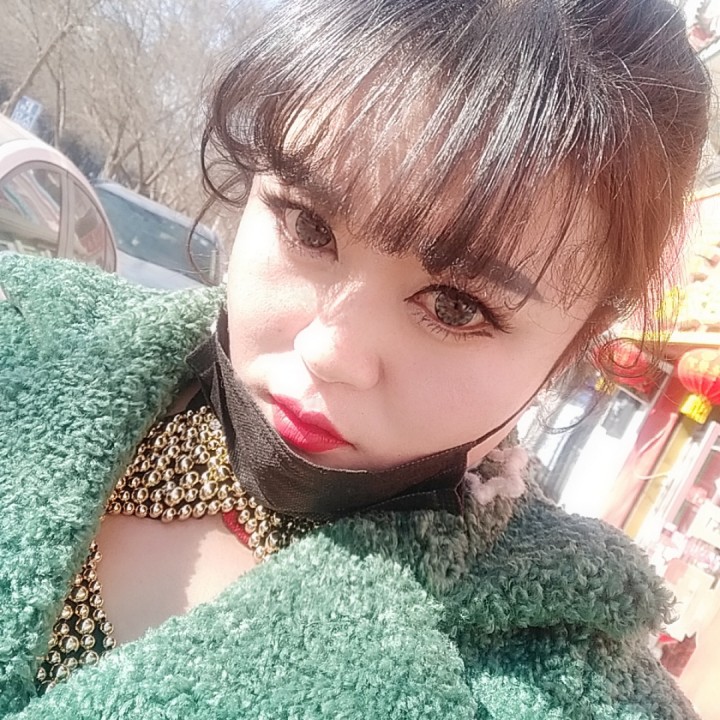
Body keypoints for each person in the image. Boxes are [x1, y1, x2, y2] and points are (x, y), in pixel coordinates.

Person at [0, 0, 710, 717]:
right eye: (308, 226)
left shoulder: (566, 687)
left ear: (571, 349)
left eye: (455, 306)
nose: (327, 352)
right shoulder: (26, 337)